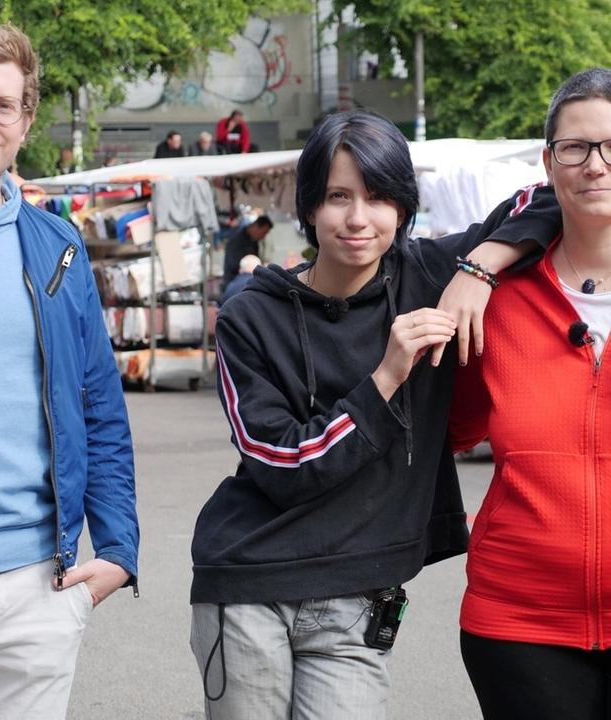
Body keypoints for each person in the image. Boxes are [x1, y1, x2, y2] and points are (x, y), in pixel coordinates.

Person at [189, 109, 562, 720]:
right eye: (339, 196)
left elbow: (548, 196)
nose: (359, 218)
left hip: (359, 597)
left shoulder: (431, 273)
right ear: (310, 206)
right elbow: (282, 463)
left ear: (404, 207)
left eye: (379, 197)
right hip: (251, 585)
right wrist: (387, 375)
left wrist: (478, 269)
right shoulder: (249, 317)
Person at [0, 23, 139, 719]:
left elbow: (99, 405)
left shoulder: (58, 245)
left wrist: (120, 548)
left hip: (38, 586)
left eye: (1, 105)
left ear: (27, 118)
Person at [449, 67, 611, 720]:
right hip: (520, 627)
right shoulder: (495, 302)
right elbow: (447, 430)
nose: (595, 164)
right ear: (548, 163)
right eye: (575, 147)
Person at [222, 214, 273, 288]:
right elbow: (233, 264)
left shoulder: (254, 242)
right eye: (263, 233)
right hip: (234, 284)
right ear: (256, 227)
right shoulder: (237, 239)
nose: (263, 236)